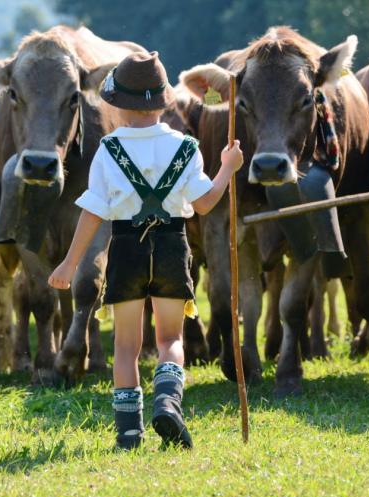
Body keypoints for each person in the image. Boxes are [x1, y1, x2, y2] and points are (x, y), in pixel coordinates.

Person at [48, 51, 243, 450]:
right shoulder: (186, 147)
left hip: (125, 248)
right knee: (171, 338)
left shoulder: (108, 149)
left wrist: (70, 263)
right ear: (162, 102)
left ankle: (128, 433)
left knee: (126, 346)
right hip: (172, 245)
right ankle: (168, 404)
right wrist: (228, 167)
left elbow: (93, 212)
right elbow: (205, 205)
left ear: (117, 105)